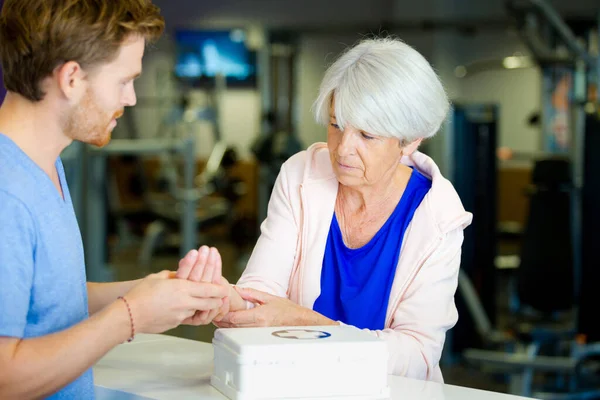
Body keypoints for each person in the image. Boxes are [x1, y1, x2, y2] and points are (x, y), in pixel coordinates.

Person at [184, 37, 473, 382]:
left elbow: (417, 357)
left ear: (410, 140)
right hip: (296, 382)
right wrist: (226, 299)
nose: (343, 149)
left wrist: (302, 322)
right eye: (336, 125)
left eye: (367, 135)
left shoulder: (439, 215)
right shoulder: (300, 174)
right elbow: (263, 292)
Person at [0, 1, 228, 399]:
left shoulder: (43, 166)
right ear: (71, 79)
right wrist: (131, 316)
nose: (133, 98)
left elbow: (48, 301)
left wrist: (153, 292)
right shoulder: (7, 194)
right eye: (124, 81)